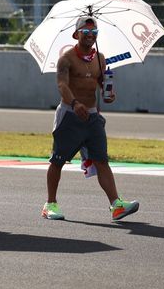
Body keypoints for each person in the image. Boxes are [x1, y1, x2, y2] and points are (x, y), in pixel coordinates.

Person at [42, 16, 139, 222]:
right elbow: (62, 86)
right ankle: (50, 204)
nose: (90, 37)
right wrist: (75, 103)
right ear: (76, 34)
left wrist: (109, 93)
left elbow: (102, 83)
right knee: (58, 160)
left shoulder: (100, 58)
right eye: (86, 33)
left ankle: (116, 205)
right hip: (70, 114)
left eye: (94, 33)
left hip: (92, 116)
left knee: (101, 160)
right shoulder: (66, 59)